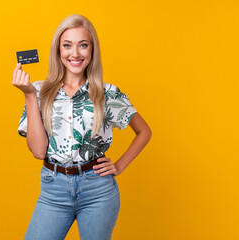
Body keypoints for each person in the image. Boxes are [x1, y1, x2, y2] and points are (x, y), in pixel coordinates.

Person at [12, 14, 152, 240]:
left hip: (98, 190)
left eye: (83, 45)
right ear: (58, 50)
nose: (75, 54)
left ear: (92, 51)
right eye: (67, 45)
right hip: (53, 189)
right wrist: (28, 95)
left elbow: (144, 131)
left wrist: (119, 165)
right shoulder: (39, 91)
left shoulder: (107, 93)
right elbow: (38, 151)